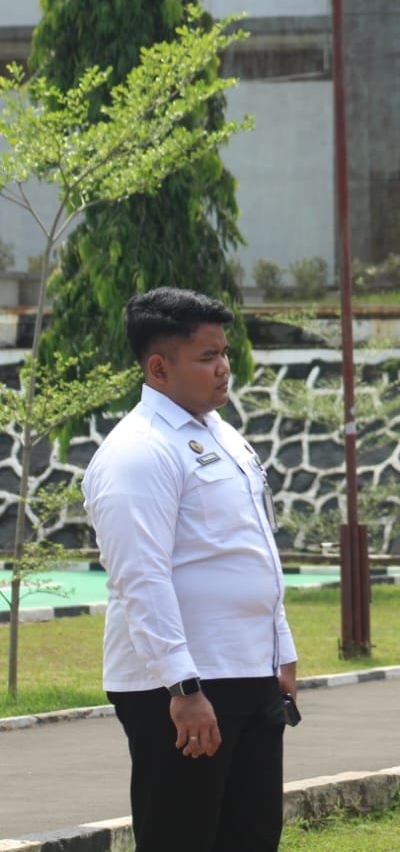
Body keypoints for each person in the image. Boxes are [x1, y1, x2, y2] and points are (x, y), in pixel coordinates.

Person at [82, 287, 298, 852]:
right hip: (183, 686)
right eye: (207, 357)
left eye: (224, 352)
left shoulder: (223, 435)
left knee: (252, 837)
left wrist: (280, 647)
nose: (224, 368)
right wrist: (181, 685)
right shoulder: (138, 451)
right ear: (159, 368)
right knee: (181, 837)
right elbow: (140, 577)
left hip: (247, 672)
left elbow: (250, 547)